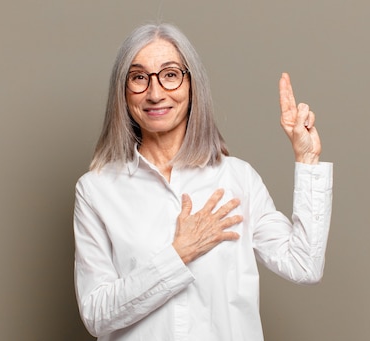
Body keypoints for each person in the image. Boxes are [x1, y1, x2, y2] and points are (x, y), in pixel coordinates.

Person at [73, 23, 333, 341]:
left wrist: (307, 160)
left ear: (192, 84)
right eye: (139, 77)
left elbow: (304, 265)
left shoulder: (238, 178)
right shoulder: (96, 190)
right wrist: (178, 254)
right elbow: (96, 315)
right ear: (123, 91)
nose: (155, 93)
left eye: (170, 75)